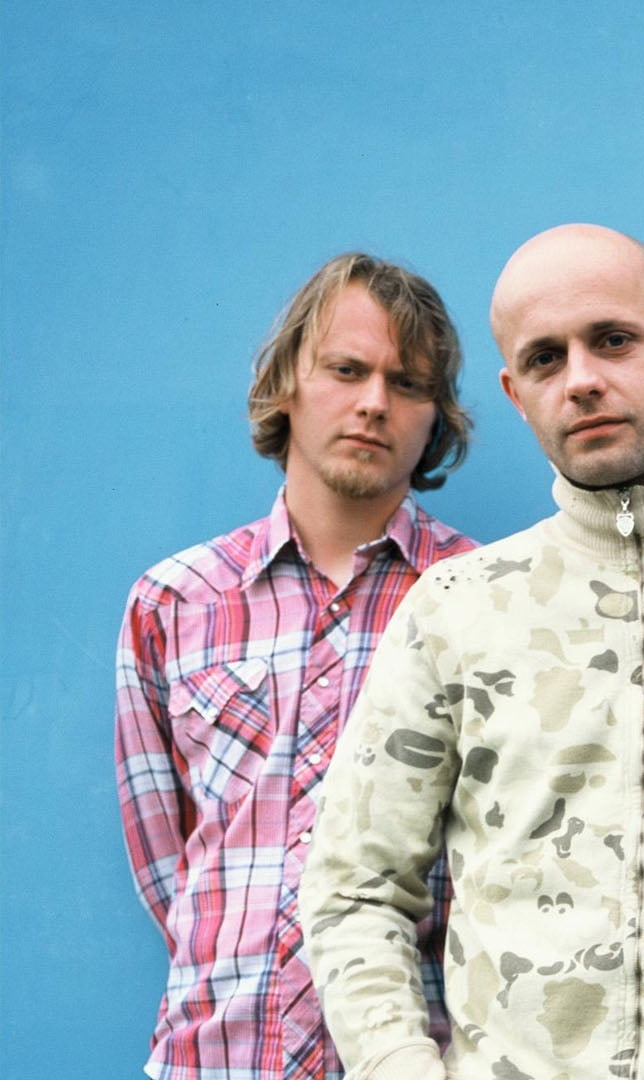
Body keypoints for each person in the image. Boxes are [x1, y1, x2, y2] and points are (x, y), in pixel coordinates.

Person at [300, 224, 644, 1080]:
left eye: (614, 340)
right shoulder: (457, 610)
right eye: (546, 360)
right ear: (516, 392)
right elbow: (352, 890)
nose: (583, 380)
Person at [115, 253, 475, 1080]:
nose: (374, 402)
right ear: (286, 383)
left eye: (408, 383)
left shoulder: (482, 602)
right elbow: (167, 863)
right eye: (346, 370)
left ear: (436, 418)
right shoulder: (172, 604)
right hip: (215, 1060)